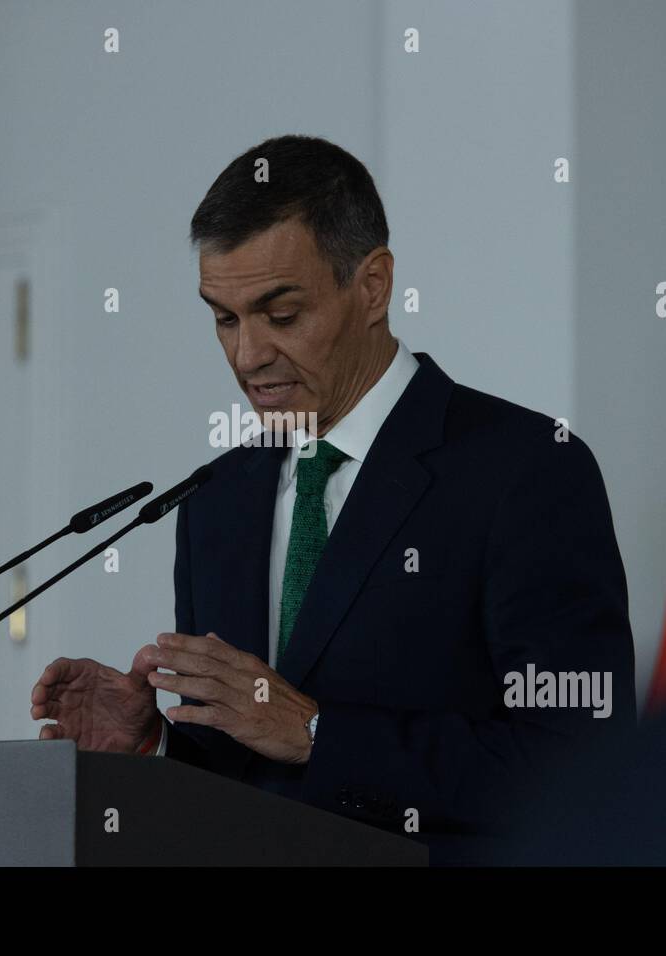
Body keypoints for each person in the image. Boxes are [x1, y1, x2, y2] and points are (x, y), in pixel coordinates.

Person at [31, 134, 635, 863]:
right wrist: (156, 744)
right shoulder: (216, 502)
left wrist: (319, 732)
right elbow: (243, 783)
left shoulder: (524, 469)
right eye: (225, 318)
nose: (248, 354)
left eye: (280, 314)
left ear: (373, 286)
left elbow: (581, 764)